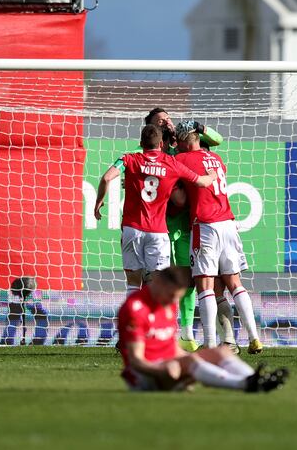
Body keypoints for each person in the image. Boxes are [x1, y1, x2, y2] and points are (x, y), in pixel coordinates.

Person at [117, 266, 286, 392]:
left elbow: (171, 348)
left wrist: (189, 361)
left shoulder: (167, 303)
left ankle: (257, 379)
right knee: (192, 362)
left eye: (176, 298)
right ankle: (245, 384)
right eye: (170, 296)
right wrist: (164, 369)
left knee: (222, 352)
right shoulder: (135, 308)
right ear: (159, 283)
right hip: (144, 377)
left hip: (172, 365)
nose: (171, 302)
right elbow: (135, 361)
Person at [93, 125, 217, 296]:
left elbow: (106, 178)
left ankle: (133, 320)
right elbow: (202, 182)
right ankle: (157, 322)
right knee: (159, 283)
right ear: (160, 144)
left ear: (141, 143)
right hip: (158, 232)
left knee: (133, 284)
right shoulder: (171, 163)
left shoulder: (129, 159)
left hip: (132, 229)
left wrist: (98, 202)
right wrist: (212, 175)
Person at [143, 107, 229, 352]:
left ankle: (187, 333)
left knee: (190, 277)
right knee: (160, 276)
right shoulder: (154, 151)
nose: (167, 122)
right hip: (162, 222)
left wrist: (199, 127)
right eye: (160, 121)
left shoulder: (185, 140)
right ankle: (158, 330)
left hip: (188, 221)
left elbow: (217, 140)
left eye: (168, 118)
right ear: (153, 128)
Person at [175, 122, 263, 355]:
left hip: (205, 225)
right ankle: (254, 337)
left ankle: (210, 343)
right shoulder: (216, 159)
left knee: (206, 286)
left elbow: (179, 198)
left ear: (185, 140)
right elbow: (216, 140)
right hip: (228, 224)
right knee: (235, 283)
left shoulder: (183, 160)